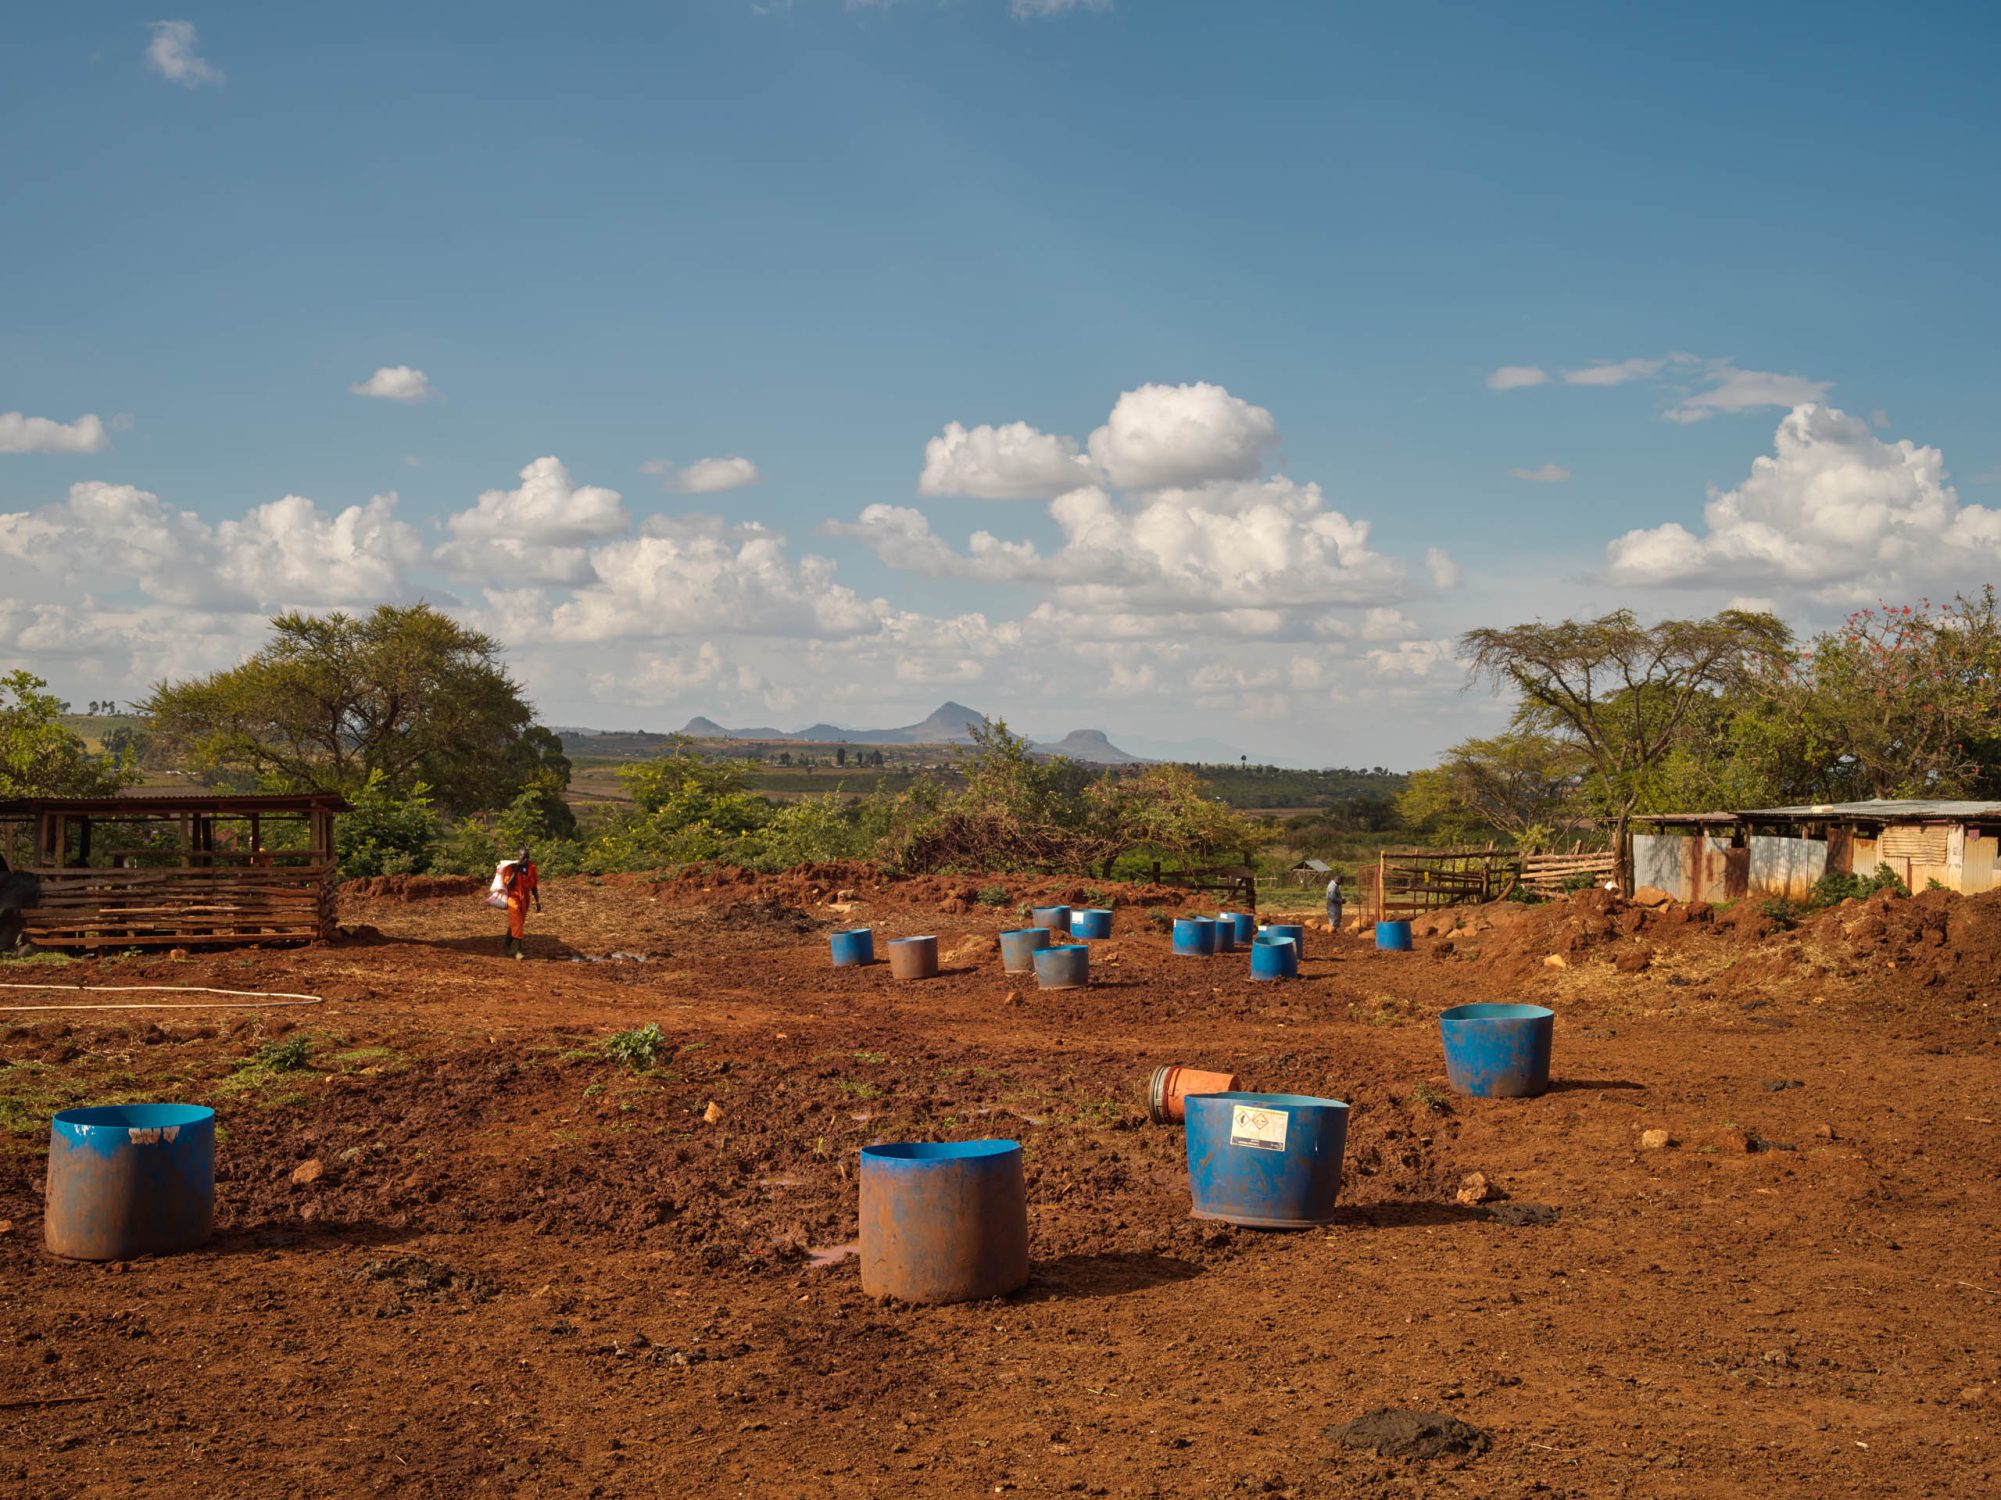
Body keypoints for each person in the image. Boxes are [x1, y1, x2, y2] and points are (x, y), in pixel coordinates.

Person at [500, 846, 541, 960]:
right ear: (518, 857)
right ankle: (517, 950)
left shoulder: (531, 867)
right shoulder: (511, 867)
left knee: (518, 922)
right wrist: (516, 868)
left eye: (528, 857)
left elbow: (534, 886)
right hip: (513, 898)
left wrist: (537, 901)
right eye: (524, 857)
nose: (526, 860)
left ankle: (506, 945)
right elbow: (509, 884)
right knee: (517, 922)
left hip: (525, 899)